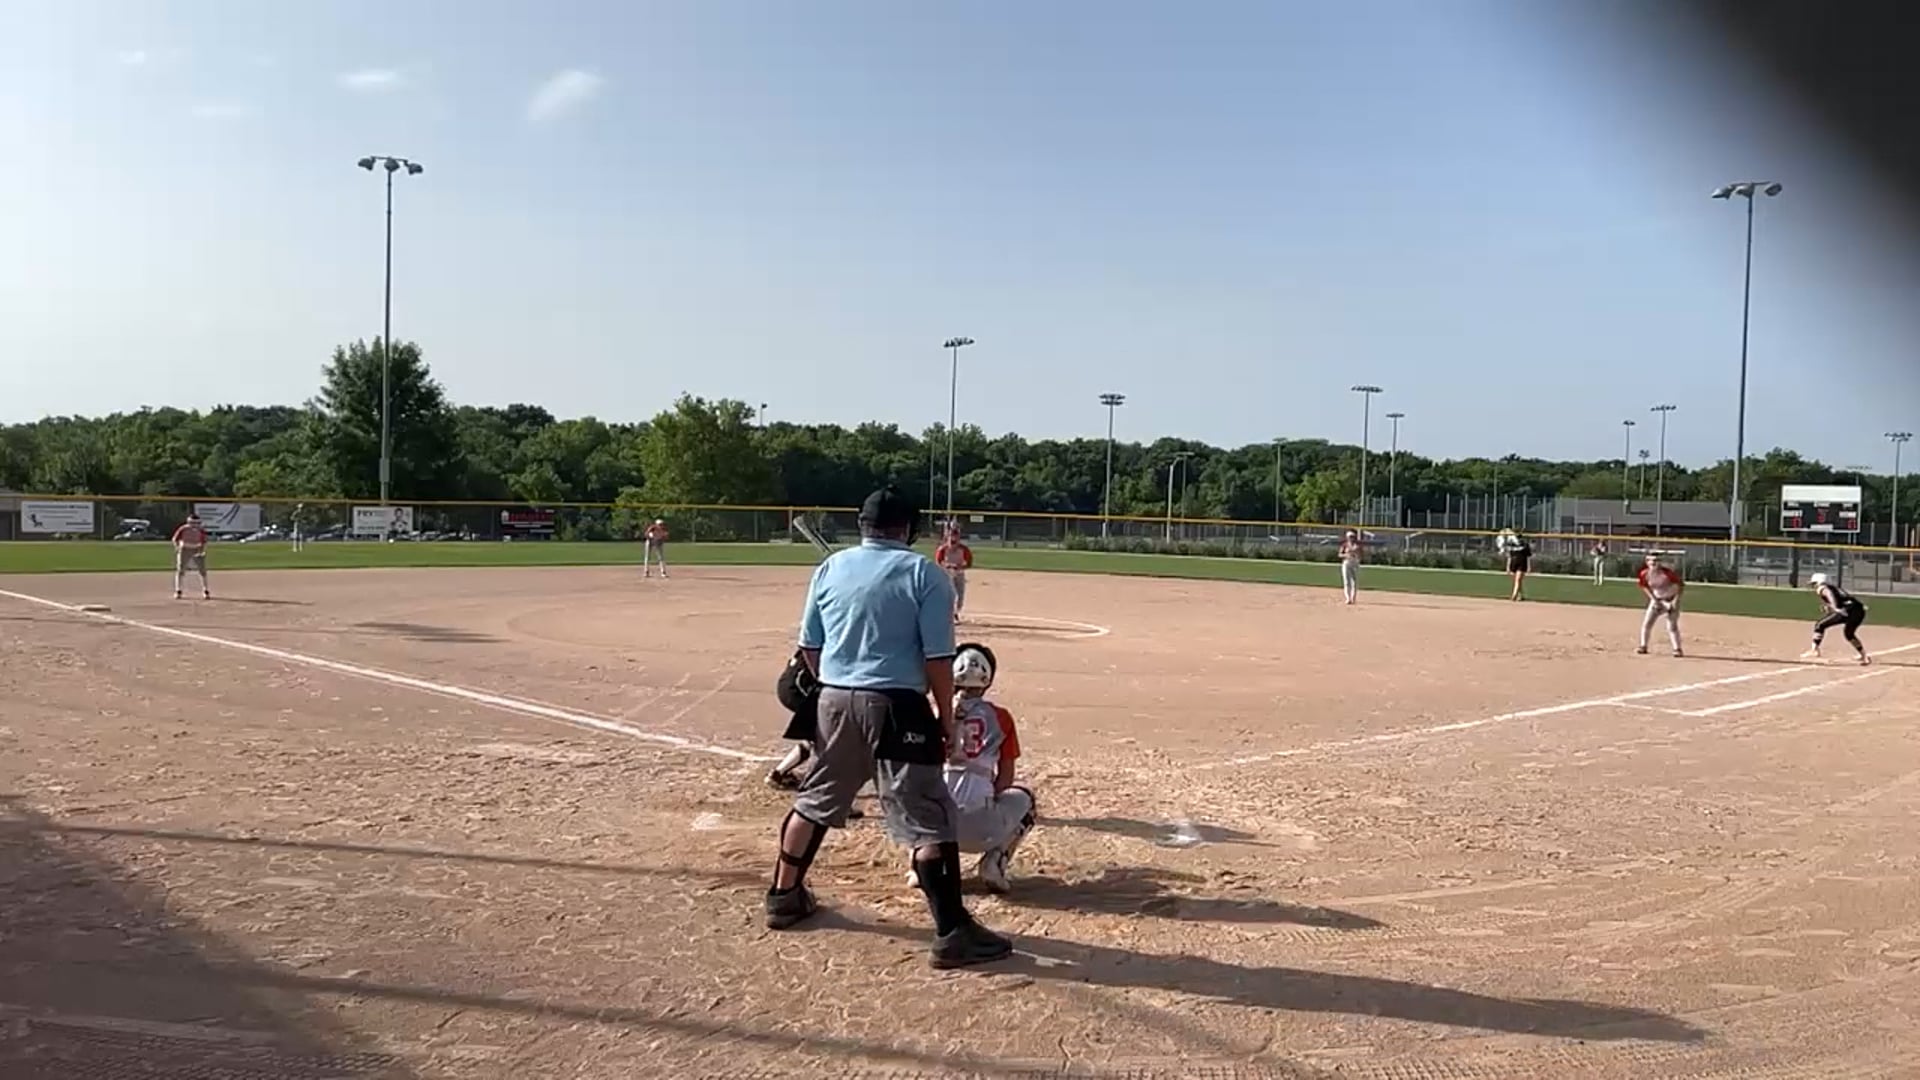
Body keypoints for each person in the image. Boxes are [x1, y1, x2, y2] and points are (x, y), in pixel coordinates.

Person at [763, 485, 1012, 970]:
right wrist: (945, 718)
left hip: (834, 698)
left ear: (863, 525)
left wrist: (838, 686)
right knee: (928, 814)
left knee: (816, 799)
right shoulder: (925, 574)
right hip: (898, 704)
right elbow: (939, 659)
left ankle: (783, 896)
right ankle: (952, 931)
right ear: (908, 529)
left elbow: (810, 647)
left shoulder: (830, 567)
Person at [906, 643, 1034, 894]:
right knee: (1027, 799)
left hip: (936, 830)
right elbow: (1005, 779)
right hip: (981, 827)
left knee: (912, 791)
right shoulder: (1001, 718)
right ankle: (995, 862)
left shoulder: (932, 712)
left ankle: (919, 863)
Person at [765, 648, 819, 790]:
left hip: (793, 683)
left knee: (819, 734)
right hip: (797, 688)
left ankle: (779, 774)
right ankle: (780, 775)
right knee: (826, 734)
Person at [1803, 572, 1871, 665]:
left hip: (1847, 610)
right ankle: (1864, 656)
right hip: (1858, 610)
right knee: (1849, 634)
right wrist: (1830, 606)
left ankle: (1814, 650)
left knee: (1820, 625)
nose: (1814, 586)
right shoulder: (1835, 588)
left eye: (1814, 583)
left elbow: (1829, 594)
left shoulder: (1823, 588)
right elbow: (1847, 598)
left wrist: (1835, 607)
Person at [1635, 552, 1684, 657]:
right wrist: (1654, 600)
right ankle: (1643, 646)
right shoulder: (1645, 574)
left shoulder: (1667, 574)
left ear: (1660, 562)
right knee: (1647, 623)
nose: (1653, 563)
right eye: (1650, 560)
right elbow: (1644, 586)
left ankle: (1677, 649)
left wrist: (1675, 602)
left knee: (1672, 626)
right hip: (1657, 600)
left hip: (1670, 600)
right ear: (1647, 562)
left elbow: (1680, 586)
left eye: (1656, 560)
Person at [934, 527, 974, 623]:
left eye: (956, 537)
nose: (953, 539)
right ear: (947, 537)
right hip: (947, 574)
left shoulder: (963, 549)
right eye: (951, 536)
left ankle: (955, 612)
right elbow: (938, 562)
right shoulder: (943, 549)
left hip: (959, 573)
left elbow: (969, 563)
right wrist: (946, 566)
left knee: (960, 596)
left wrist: (960, 567)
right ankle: (949, 614)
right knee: (951, 595)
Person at [172, 513, 210, 600]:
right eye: (192, 523)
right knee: (180, 570)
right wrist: (177, 547)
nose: (194, 525)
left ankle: (205, 590)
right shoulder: (183, 529)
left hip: (197, 549)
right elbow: (175, 539)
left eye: (197, 523)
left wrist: (202, 550)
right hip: (185, 549)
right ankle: (178, 590)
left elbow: (204, 541)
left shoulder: (201, 530)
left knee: (202, 570)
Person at [1497, 528, 1531, 601]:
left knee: (1518, 580)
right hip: (1513, 563)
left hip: (1522, 563)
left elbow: (1528, 556)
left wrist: (1529, 566)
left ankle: (1514, 595)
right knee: (1517, 581)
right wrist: (1508, 566)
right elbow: (1509, 556)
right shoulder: (1511, 544)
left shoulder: (1525, 544)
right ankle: (1521, 595)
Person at [1337, 529, 1362, 605]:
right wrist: (1346, 555)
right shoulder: (1344, 545)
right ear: (1347, 537)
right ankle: (1348, 598)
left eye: (1353, 537)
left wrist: (1356, 554)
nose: (1351, 538)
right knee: (1346, 581)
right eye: (1350, 537)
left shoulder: (1357, 545)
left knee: (1354, 581)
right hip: (1346, 563)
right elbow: (1339, 554)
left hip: (1355, 563)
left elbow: (1361, 555)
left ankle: (1353, 598)